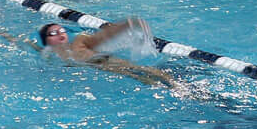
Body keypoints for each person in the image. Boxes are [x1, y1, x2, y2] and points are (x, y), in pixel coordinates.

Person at [33, 18, 175, 87]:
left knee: (155, 76)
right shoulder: (49, 53)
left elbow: (102, 37)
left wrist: (127, 25)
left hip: (108, 62)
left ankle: (183, 89)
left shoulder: (79, 42)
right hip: (105, 70)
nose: (60, 33)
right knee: (151, 83)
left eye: (62, 30)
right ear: (46, 40)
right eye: (53, 33)